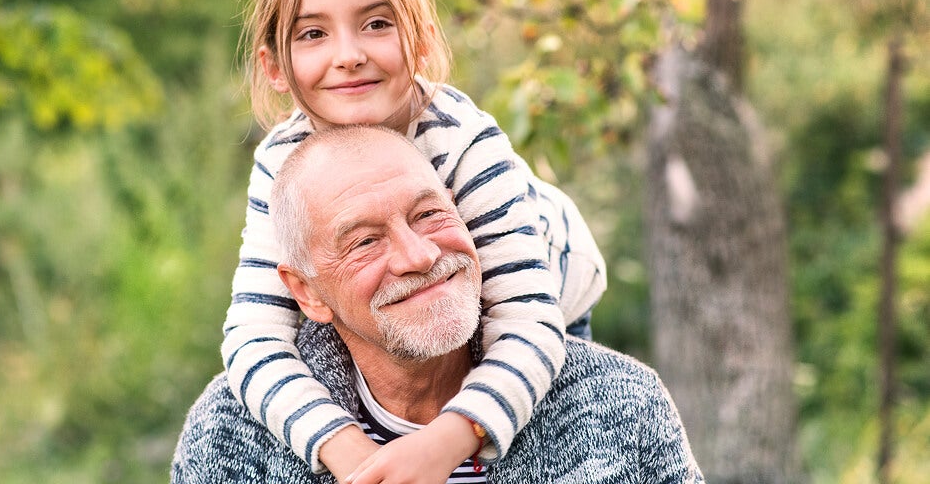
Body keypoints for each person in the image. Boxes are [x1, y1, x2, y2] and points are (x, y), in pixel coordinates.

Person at [222, 0, 607, 483]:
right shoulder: (283, 165)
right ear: (275, 67)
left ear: (421, 39)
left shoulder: (462, 138)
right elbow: (254, 337)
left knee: (541, 441)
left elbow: (528, 321)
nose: (349, 54)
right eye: (313, 34)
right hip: (404, 327)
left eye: (377, 24)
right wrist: (346, 450)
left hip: (544, 296)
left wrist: (445, 442)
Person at [174, 125, 704, 483]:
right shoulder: (229, 436)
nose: (420, 255)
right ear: (307, 292)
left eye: (429, 215)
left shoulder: (618, 406)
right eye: (365, 242)